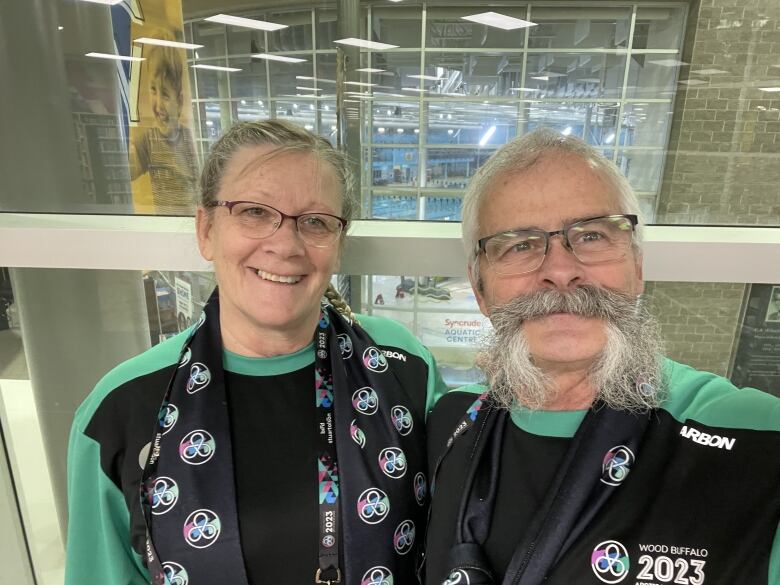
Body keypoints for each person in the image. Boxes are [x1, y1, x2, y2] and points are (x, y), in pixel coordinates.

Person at [66, 120, 447, 585]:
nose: (285, 244)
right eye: (253, 212)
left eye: (315, 222)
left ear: (338, 245)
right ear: (206, 229)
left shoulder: (400, 364)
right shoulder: (122, 408)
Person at [425, 128, 780, 585]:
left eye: (591, 236)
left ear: (637, 268)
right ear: (480, 290)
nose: (560, 271)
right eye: (519, 245)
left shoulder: (755, 441)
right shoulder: (450, 426)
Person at [129, 32, 199, 215]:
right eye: (153, 90)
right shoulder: (148, 140)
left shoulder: (190, 139)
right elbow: (127, 171)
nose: (158, 104)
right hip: (165, 224)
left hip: (192, 223)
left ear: (180, 101)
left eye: (166, 95)